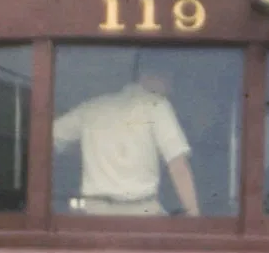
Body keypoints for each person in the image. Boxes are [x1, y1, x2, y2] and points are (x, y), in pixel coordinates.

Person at [53, 63, 199, 216]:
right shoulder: (156, 105)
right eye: (169, 79)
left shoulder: (92, 108)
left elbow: (47, 138)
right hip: (142, 214)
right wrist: (195, 219)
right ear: (147, 76)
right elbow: (178, 166)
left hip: (94, 215)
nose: (171, 88)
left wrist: (85, 149)